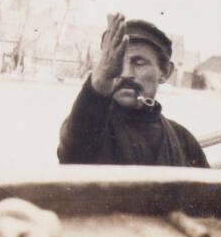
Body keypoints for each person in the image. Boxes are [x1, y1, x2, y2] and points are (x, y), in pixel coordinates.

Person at [57, 13, 209, 168]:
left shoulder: (183, 140)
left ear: (165, 72)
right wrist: (102, 77)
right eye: (117, 62)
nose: (126, 73)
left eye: (139, 62)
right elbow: (74, 149)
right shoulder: (90, 128)